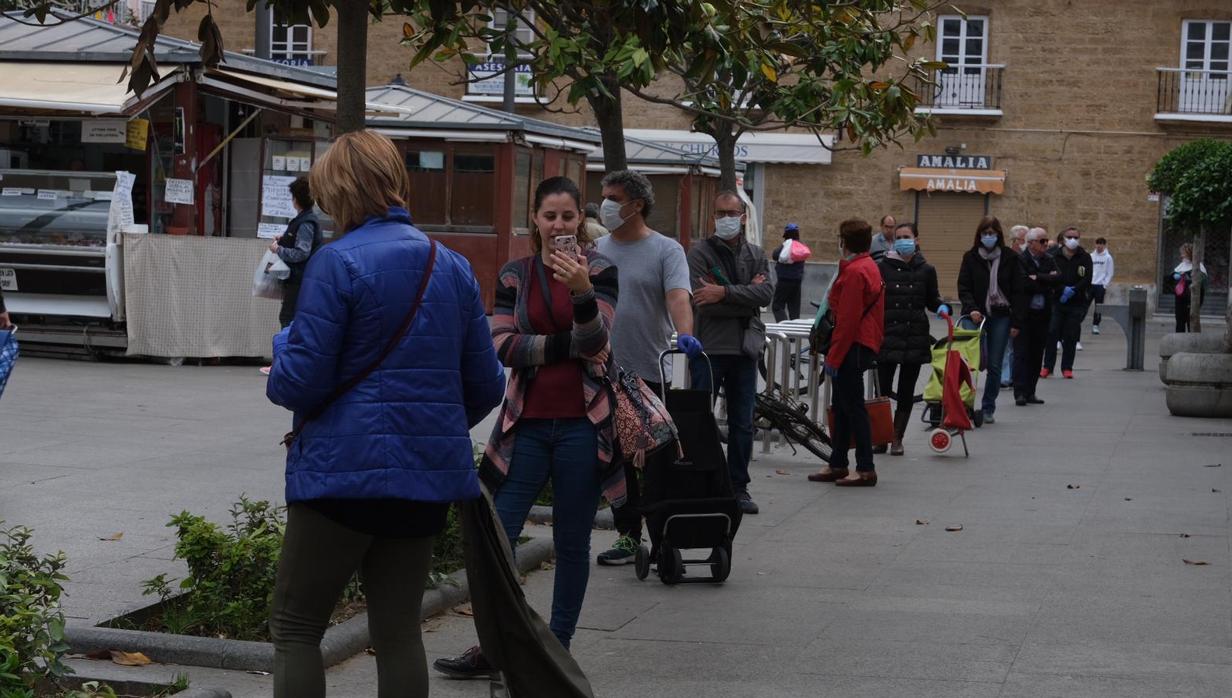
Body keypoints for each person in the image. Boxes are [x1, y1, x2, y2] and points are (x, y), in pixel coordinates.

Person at [265, 130, 506, 698]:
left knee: (297, 628)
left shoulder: (335, 263)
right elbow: (487, 385)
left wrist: (281, 352)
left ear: (338, 190)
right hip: (423, 481)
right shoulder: (452, 265)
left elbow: (299, 382)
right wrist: (426, 423)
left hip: (339, 476)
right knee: (399, 632)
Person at [434, 176, 621, 678]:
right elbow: (502, 345)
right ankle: (498, 645)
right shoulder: (516, 274)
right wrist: (567, 344)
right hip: (527, 425)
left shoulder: (600, 270)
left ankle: (555, 649)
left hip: (584, 425)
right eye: (550, 216)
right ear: (534, 220)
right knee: (499, 535)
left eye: (567, 216)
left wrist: (580, 292)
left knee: (574, 541)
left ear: (579, 219)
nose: (559, 225)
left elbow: (598, 335)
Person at [591, 169, 701, 566]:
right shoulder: (596, 249)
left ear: (636, 205)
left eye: (613, 198)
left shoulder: (665, 250)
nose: (605, 204)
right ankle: (626, 535)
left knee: (654, 459)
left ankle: (660, 535)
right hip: (601, 370)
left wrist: (684, 334)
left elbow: (677, 297)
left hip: (646, 372)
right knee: (615, 460)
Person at [687, 190, 774, 514]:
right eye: (720, 213)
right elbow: (701, 301)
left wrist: (722, 292)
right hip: (708, 349)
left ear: (743, 216)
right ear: (714, 217)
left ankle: (739, 487)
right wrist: (743, 297)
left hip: (743, 351)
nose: (725, 219)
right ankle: (701, 483)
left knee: (742, 424)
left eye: (731, 213)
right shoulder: (699, 254)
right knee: (701, 420)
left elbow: (765, 294)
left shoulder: (755, 254)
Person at [808, 219, 884, 486]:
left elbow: (848, 320)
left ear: (845, 241)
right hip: (861, 343)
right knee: (842, 407)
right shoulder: (868, 266)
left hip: (852, 345)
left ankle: (865, 467)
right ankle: (838, 462)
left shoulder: (855, 272)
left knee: (852, 407)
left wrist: (834, 357)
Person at [875, 222, 945, 456]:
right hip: (887, 335)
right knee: (882, 389)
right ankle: (880, 436)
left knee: (906, 390)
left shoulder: (926, 270)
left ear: (916, 239)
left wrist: (942, 307)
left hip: (914, 335)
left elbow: (932, 299)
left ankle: (897, 437)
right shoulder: (881, 267)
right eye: (899, 237)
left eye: (907, 236)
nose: (903, 240)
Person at [956, 216, 1021, 424]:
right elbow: (964, 287)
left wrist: (1016, 322)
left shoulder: (1010, 258)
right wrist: (972, 308)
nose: (989, 237)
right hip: (975, 316)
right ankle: (966, 405)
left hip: (1001, 315)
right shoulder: (971, 257)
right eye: (985, 233)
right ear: (979, 235)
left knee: (994, 364)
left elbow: (1018, 291)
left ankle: (987, 407)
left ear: (999, 235)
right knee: (970, 363)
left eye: (992, 233)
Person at [1013, 227, 1060, 406]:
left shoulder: (1049, 259)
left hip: (1043, 313)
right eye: (1042, 241)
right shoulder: (1021, 259)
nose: (1045, 244)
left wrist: (1038, 278)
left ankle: (1031, 391)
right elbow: (1024, 283)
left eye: (1046, 240)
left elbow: (1058, 279)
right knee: (1021, 354)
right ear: (1031, 243)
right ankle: (1020, 392)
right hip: (1025, 314)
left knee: (1036, 354)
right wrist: (1046, 281)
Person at [1041, 226, 1093, 379]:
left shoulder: (1084, 257)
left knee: (1070, 335)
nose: (1073, 240)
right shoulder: (1053, 256)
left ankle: (1067, 368)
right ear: (1063, 239)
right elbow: (1049, 276)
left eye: (1076, 237)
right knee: (1052, 333)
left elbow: (1087, 278)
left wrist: (1074, 290)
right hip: (1057, 302)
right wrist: (1061, 289)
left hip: (1076, 302)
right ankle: (1047, 367)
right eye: (1069, 237)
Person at [1001, 225, 1030, 388]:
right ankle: (1005, 376)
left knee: (1016, 346)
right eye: (1023, 240)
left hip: (1021, 308)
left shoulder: (1027, 258)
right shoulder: (1007, 257)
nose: (1026, 243)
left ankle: (1013, 375)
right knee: (1006, 345)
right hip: (1006, 306)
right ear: (1014, 241)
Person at [1166, 242, 1205, 333]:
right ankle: (1179, 341)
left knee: (1190, 321)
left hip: (1191, 299)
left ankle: (1192, 341)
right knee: (1179, 320)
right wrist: (1175, 276)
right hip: (1180, 299)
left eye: (1183, 253)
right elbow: (1170, 279)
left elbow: (1201, 281)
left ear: (1189, 253)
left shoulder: (1198, 266)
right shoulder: (1181, 265)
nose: (1181, 255)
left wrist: (1187, 277)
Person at [771, 223, 806, 321]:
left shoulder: (786, 245)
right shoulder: (801, 246)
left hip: (784, 281)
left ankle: (784, 329)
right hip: (797, 281)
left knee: (777, 306)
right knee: (794, 309)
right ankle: (794, 335)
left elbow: (775, 255)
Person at [1089, 236, 1114, 335]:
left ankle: (1096, 325)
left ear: (1104, 245)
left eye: (1101, 244)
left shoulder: (1108, 258)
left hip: (1100, 286)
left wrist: (1104, 285)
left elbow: (1110, 273)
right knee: (1084, 304)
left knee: (1098, 306)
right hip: (1090, 285)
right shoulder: (1091, 256)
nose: (1099, 246)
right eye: (1097, 244)